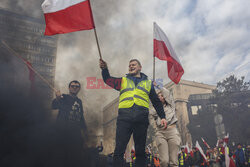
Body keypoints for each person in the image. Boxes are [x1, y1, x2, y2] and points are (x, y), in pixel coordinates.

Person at [99, 59, 167, 167]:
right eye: (129, 65)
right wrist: (104, 69)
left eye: (133, 64)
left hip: (141, 120)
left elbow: (156, 101)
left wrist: (162, 116)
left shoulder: (148, 83)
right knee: (119, 150)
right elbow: (107, 80)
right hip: (124, 119)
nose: (131, 66)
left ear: (140, 67)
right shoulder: (123, 80)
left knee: (140, 151)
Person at [51, 80, 87, 167]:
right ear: (69, 88)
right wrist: (58, 98)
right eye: (72, 86)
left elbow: (81, 116)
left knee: (74, 157)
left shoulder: (79, 101)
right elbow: (54, 106)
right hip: (63, 132)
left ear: (79, 89)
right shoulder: (64, 97)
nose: (74, 87)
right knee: (61, 155)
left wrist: (85, 131)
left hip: (75, 134)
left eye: (77, 86)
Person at [149, 83, 181, 167]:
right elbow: (148, 114)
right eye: (159, 96)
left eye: (162, 96)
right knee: (164, 161)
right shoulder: (154, 110)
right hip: (161, 133)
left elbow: (167, 94)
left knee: (173, 161)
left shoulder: (171, 105)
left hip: (172, 132)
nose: (161, 97)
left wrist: (158, 86)